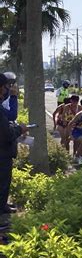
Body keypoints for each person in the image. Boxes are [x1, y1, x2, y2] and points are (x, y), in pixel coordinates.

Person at [0, 73, 28, 230]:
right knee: (2, 184)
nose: (7, 89)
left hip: (3, 153)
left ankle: (2, 206)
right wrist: (19, 128)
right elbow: (9, 123)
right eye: (6, 86)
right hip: (2, 154)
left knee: (4, 184)